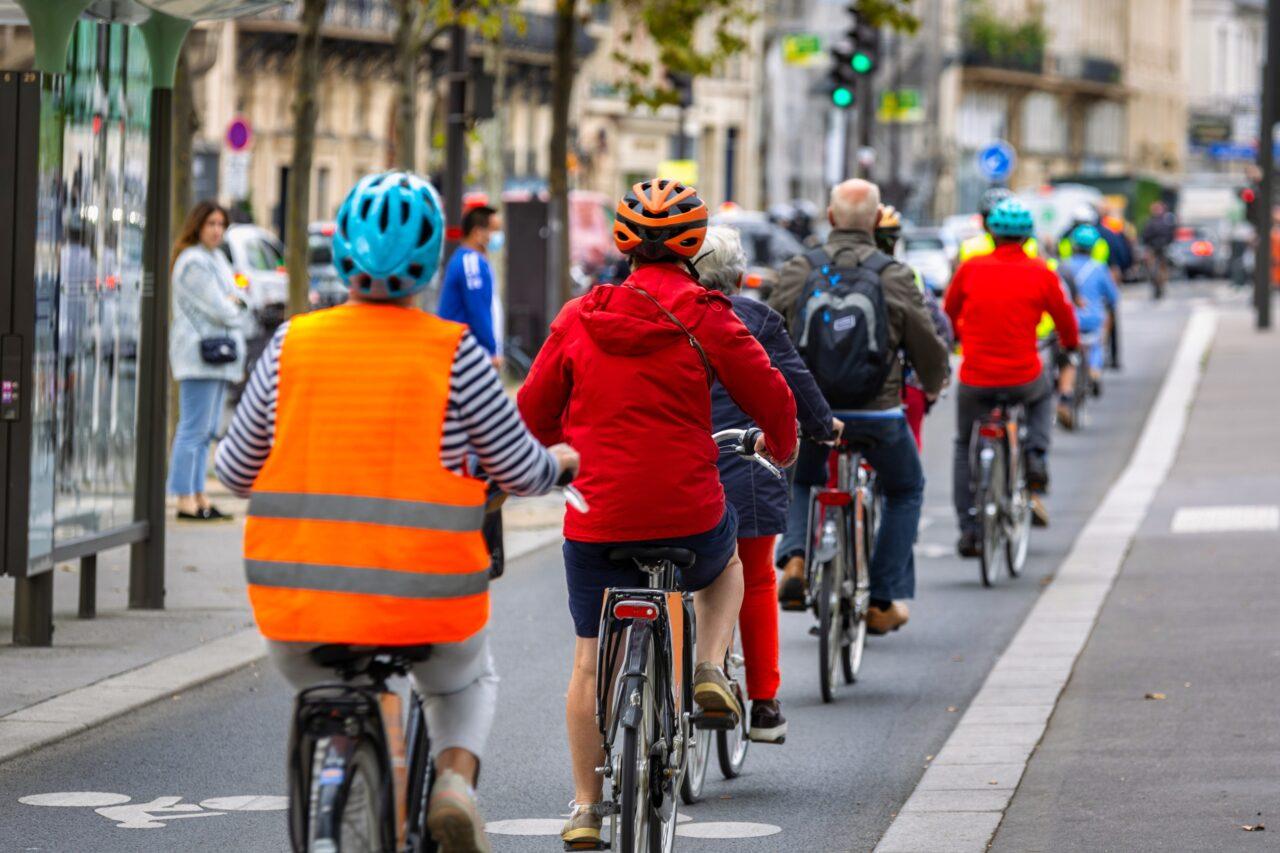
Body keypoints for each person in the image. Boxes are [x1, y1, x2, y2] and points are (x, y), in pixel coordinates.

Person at [215, 172, 579, 853]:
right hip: (429, 599)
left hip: (296, 602)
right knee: (464, 680)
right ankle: (452, 785)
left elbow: (233, 470)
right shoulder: (456, 355)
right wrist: (559, 462)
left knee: (321, 681)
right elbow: (521, 470)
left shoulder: (289, 347)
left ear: (345, 257)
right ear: (427, 263)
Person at [516, 179, 798, 849]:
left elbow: (530, 413)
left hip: (597, 515)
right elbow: (772, 396)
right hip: (687, 510)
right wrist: (779, 449)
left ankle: (587, 805)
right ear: (693, 245)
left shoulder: (579, 316)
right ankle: (706, 666)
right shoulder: (709, 313)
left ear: (623, 241)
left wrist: (564, 446)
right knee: (727, 565)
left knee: (588, 662)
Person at [769, 180, 949, 634]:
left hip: (814, 411)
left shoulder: (798, 269)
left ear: (829, 218)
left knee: (800, 475)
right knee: (905, 489)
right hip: (879, 413)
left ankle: (793, 557)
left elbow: (769, 336)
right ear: (874, 221)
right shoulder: (893, 275)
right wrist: (933, 383)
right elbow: (926, 342)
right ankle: (883, 598)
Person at [696, 225, 839, 744]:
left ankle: (674, 688)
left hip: (682, 466)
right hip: (745, 467)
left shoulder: (665, 317)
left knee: (677, 573)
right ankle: (763, 704)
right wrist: (824, 427)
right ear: (738, 276)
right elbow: (795, 385)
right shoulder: (755, 319)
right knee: (755, 577)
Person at [945, 199, 1079, 555]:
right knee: (1041, 396)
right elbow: (1065, 319)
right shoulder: (1041, 270)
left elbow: (948, 314)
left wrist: (959, 338)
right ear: (1026, 237)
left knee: (963, 445)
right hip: (1022, 375)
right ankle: (1035, 454)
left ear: (991, 233)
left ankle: (970, 529)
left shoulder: (970, 269)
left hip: (976, 378)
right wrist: (1070, 346)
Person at [168, 200, 249, 522]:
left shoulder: (216, 259)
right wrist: (234, 303)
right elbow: (224, 307)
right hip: (198, 356)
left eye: (221, 225)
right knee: (193, 428)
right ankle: (184, 497)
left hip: (217, 357)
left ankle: (199, 494)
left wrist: (236, 301)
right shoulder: (193, 262)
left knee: (206, 430)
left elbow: (241, 298)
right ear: (197, 225)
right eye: (211, 224)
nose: (217, 230)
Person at [875, 205, 954, 448]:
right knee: (908, 479)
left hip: (835, 388)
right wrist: (937, 377)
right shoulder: (907, 276)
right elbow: (936, 329)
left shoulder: (827, 272)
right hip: (900, 384)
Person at [1058, 224, 1119, 421]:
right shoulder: (1099, 268)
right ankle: (1094, 372)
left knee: (1068, 357)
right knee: (1096, 344)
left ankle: (1065, 393)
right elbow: (1113, 297)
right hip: (1092, 321)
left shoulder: (1063, 265)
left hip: (1068, 320)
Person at [438, 204, 505, 367]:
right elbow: (478, 310)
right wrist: (491, 350)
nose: (497, 236)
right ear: (477, 232)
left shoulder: (469, 260)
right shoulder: (471, 262)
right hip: (467, 356)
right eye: (493, 230)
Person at [1140, 201, 1176, 300]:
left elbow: (1171, 235)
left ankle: (1160, 284)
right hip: (1153, 248)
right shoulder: (1152, 221)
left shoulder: (1165, 221)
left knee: (1161, 269)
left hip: (1162, 248)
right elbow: (1145, 236)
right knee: (1153, 269)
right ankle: (1157, 284)